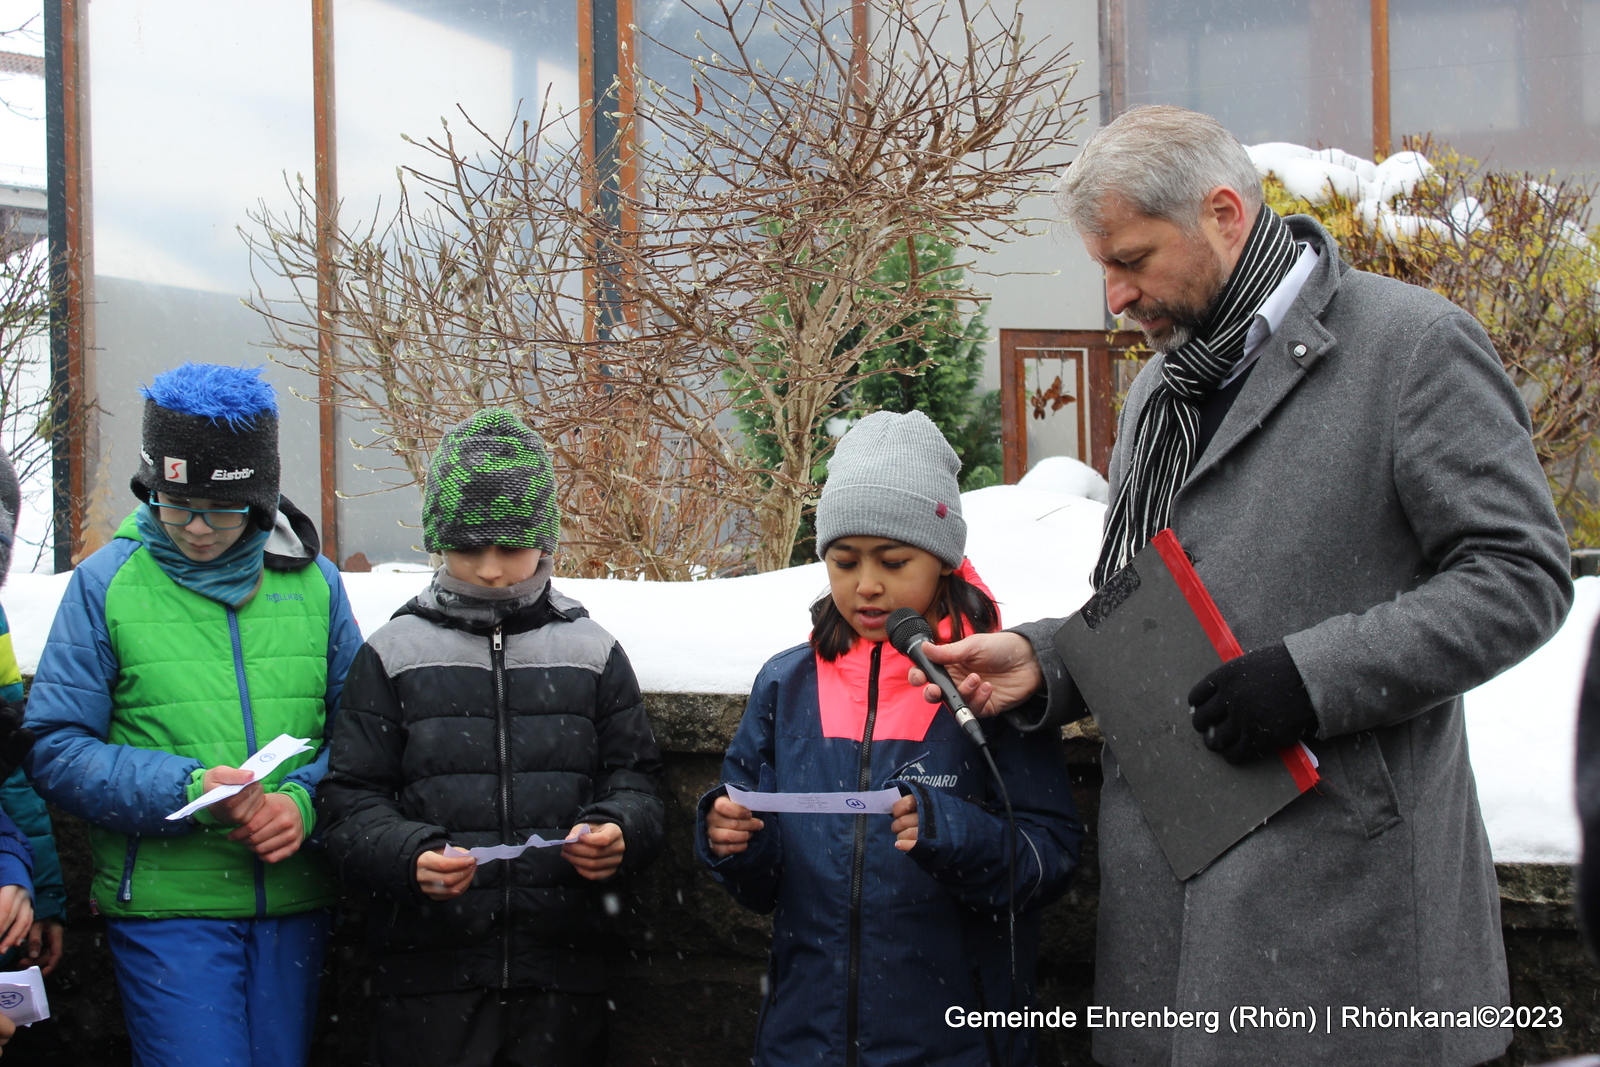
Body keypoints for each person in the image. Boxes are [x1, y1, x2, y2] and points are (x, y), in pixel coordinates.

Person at [911, 105, 1573, 1067]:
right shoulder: (1158, 391)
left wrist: (1311, 678)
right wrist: (1049, 660)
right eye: (1104, 265)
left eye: (1132, 259)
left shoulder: (1414, 347)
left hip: (1348, 918)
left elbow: (1520, 577)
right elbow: (1155, 598)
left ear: (1223, 212)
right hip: (1169, 915)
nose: (1113, 295)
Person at [699, 410, 1083, 1067]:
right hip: (802, 1042)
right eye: (844, 561)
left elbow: (1049, 859)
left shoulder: (989, 682)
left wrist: (952, 833)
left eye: (893, 559)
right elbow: (762, 885)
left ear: (943, 559)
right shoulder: (785, 683)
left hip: (957, 1044)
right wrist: (729, 838)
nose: (866, 583)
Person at [24, 362, 362, 1067]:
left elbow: (366, 735)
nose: (197, 529)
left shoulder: (318, 586)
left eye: (221, 507)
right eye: (174, 505)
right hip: (166, 909)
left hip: (295, 903)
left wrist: (303, 802)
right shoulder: (106, 584)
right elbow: (55, 746)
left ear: (264, 499)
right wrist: (189, 792)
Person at [318, 408, 665, 1067]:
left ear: (545, 537)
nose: (492, 568)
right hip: (429, 982)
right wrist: (407, 855)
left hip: (562, 979)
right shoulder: (393, 652)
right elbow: (349, 801)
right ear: (437, 539)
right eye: (469, 546)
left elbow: (638, 780)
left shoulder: (591, 652)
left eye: (510, 545)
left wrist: (621, 829)